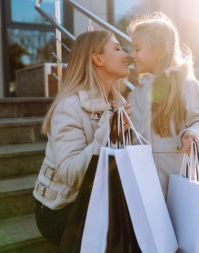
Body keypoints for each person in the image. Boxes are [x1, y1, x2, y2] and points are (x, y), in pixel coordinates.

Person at [33, 30, 131, 245]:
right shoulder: (69, 106)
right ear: (98, 59)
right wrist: (106, 135)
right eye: (117, 48)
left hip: (96, 199)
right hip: (61, 209)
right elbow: (70, 173)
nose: (126, 54)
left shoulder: (119, 104)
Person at [127, 12, 199, 196]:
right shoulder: (136, 94)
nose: (132, 55)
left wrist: (193, 133)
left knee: (178, 223)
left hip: (179, 180)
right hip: (144, 183)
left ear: (159, 51)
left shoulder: (186, 85)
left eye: (137, 49)